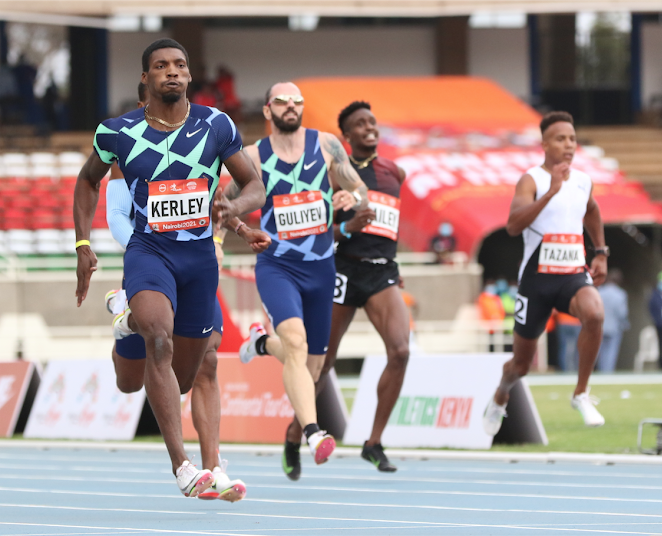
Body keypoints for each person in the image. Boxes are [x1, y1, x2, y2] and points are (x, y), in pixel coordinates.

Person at [74, 38, 267, 497]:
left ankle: (126, 326)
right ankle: (184, 467)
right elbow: (87, 181)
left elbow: (253, 184)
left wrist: (234, 212)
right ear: (146, 78)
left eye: (179, 64)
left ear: (188, 74)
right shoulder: (116, 132)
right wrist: (83, 243)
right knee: (159, 339)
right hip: (150, 251)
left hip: (200, 259)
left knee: (184, 377)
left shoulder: (215, 125)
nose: (172, 72)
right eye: (161, 66)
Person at [237, 82, 369, 469]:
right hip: (278, 265)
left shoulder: (326, 145)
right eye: (281, 100)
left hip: (321, 266)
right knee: (294, 341)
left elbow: (360, 190)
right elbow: (223, 203)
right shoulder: (252, 156)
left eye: (297, 101)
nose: (290, 106)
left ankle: (262, 345)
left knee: (312, 365)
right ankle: (314, 432)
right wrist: (229, 233)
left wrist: (351, 198)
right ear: (268, 110)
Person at [279, 101, 410, 478]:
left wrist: (393, 262)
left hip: (381, 272)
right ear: (347, 136)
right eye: (360, 124)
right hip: (340, 271)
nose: (369, 127)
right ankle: (294, 434)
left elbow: (390, 225)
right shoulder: (335, 175)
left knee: (400, 351)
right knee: (323, 362)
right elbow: (316, 231)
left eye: (372, 120)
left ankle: (374, 443)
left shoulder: (394, 173)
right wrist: (349, 227)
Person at [483, 111, 608, 435]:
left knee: (594, 314)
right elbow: (512, 226)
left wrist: (601, 252)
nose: (568, 145)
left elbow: (591, 210)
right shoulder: (531, 180)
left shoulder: (582, 180)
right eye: (560, 139)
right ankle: (500, 395)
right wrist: (551, 191)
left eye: (572, 138)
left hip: (572, 275)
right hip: (536, 281)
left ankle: (580, 393)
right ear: (544, 144)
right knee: (521, 366)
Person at [596, 268, 630, 372]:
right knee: (611, 351)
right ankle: (607, 372)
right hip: (614, 327)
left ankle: (599, 370)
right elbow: (622, 313)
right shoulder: (620, 294)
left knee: (598, 351)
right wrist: (625, 323)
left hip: (599, 326)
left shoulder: (599, 292)